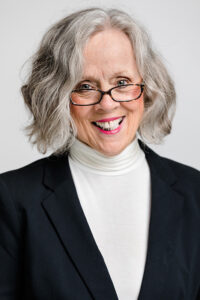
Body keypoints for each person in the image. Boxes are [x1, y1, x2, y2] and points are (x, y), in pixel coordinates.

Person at [0, 7, 200, 300]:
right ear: (56, 97)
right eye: (85, 87)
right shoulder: (12, 199)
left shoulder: (195, 192)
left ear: (146, 88)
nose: (107, 105)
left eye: (121, 82)